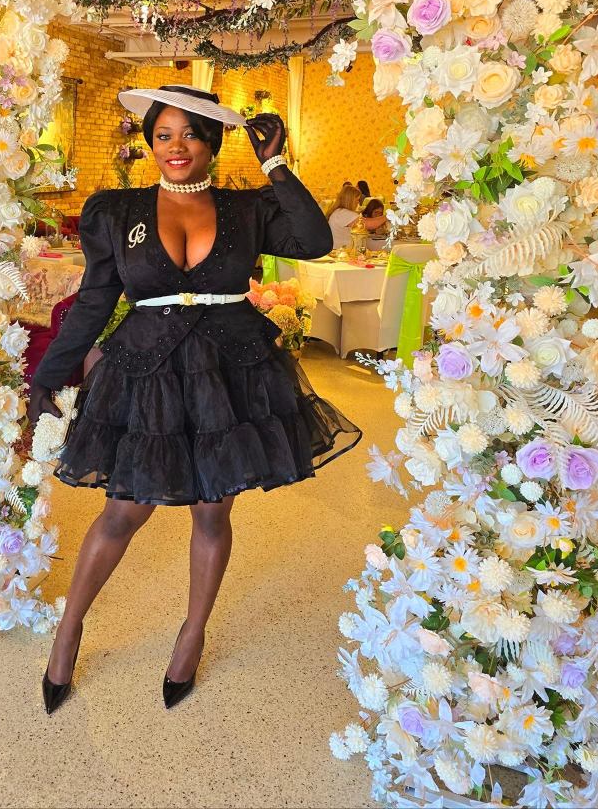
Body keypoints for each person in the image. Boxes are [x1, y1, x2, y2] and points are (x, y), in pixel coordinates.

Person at [28, 85, 362, 713]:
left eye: (189, 135)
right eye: (162, 136)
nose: (174, 148)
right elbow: (97, 298)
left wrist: (275, 164)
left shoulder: (248, 208)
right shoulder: (115, 209)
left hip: (232, 371)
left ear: (211, 142)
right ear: (150, 142)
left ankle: (192, 631)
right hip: (146, 369)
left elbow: (315, 240)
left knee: (213, 512)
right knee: (123, 511)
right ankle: (70, 627)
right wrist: (50, 373)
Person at [325, 183, 362, 249]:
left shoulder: (339, 211)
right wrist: (385, 217)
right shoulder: (343, 213)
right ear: (350, 200)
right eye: (357, 200)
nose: (358, 203)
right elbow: (366, 224)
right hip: (340, 252)